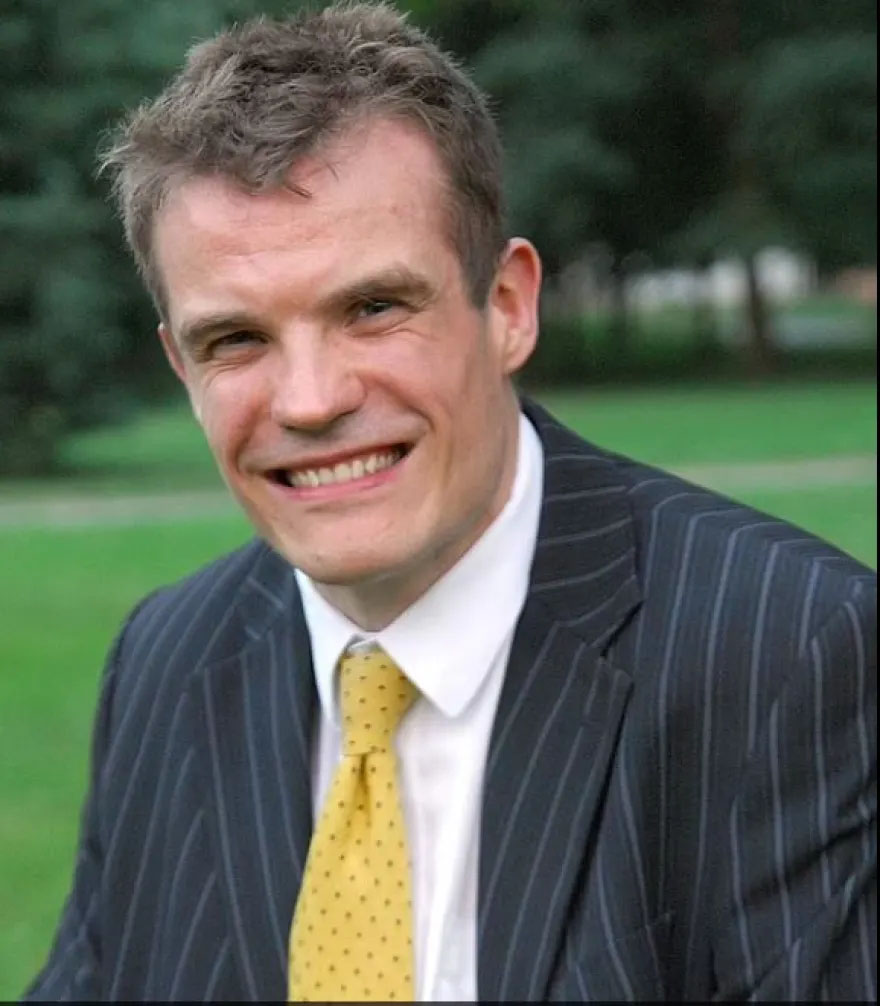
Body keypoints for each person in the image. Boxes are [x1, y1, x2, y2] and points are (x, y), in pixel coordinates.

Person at [26, 3, 876, 1001]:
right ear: (181, 365)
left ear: (507, 306)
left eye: (372, 308)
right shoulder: (166, 659)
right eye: (237, 340)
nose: (310, 401)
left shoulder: (786, 650)